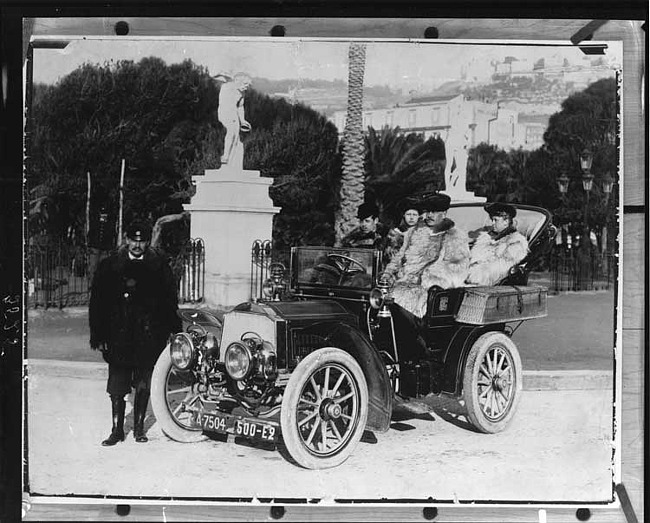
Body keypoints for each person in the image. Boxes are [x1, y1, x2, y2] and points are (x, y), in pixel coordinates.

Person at [89, 219, 181, 446]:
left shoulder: (160, 267)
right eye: (133, 240)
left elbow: (170, 302)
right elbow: (97, 303)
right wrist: (99, 336)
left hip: (149, 334)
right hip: (118, 334)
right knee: (118, 384)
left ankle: (139, 429)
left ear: (148, 242)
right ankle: (117, 430)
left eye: (142, 241)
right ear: (126, 240)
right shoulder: (109, 266)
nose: (137, 245)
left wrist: (172, 330)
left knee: (143, 382)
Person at [466, 202, 529, 286]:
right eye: (492, 220)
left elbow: (498, 271)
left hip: (488, 286)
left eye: (495, 220)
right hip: (474, 282)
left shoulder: (515, 243)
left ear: (506, 221)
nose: (492, 223)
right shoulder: (487, 238)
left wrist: (469, 274)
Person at [217, 72, 252, 168]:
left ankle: (233, 162)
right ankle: (225, 156)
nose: (246, 87)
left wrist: (243, 120)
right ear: (238, 81)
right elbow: (216, 75)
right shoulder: (229, 86)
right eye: (245, 84)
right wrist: (227, 76)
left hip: (234, 113)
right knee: (232, 131)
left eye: (248, 85)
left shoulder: (242, 93)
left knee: (237, 137)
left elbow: (240, 107)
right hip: (225, 112)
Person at [384, 198, 420, 264]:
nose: (411, 218)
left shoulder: (421, 232)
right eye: (408, 214)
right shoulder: (395, 233)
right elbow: (390, 255)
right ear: (404, 215)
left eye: (414, 215)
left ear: (418, 216)